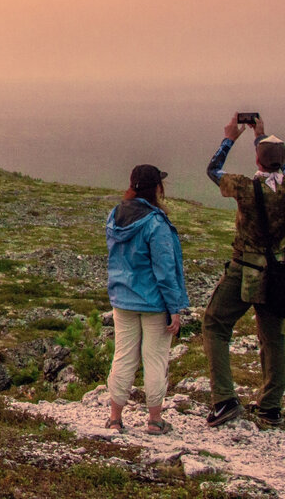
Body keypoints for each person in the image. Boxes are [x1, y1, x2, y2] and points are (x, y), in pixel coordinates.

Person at [203, 115, 285, 428]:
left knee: (215, 324)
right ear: (283, 160)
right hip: (279, 270)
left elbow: (213, 170)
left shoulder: (245, 188)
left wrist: (230, 137)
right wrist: (263, 137)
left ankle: (225, 400)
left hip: (246, 267)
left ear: (257, 160)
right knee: (273, 337)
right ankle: (270, 407)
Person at [105, 164, 189, 435]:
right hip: (154, 304)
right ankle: (154, 421)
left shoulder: (115, 216)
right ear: (157, 188)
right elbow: (165, 270)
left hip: (122, 299)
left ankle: (115, 418)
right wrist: (174, 308)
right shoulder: (156, 223)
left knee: (123, 358)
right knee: (154, 360)